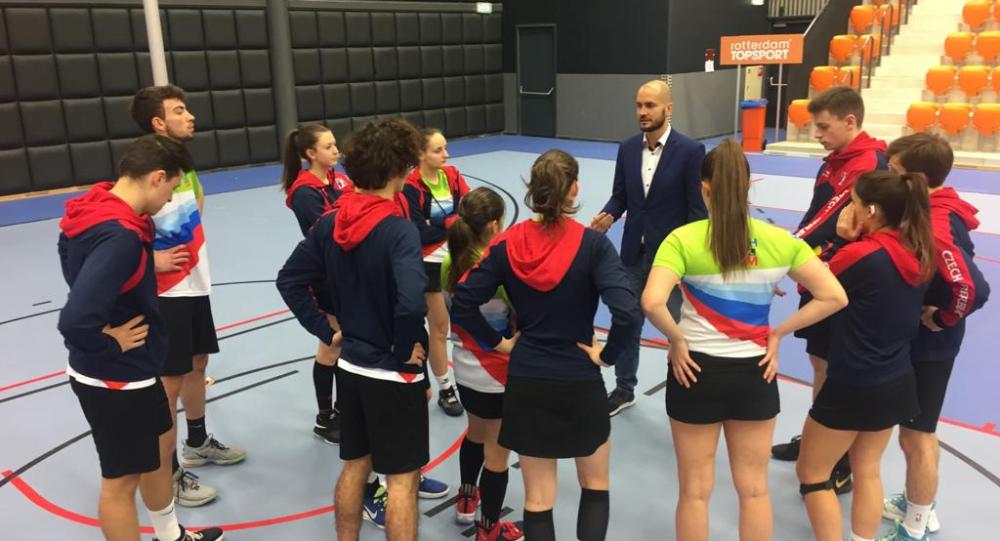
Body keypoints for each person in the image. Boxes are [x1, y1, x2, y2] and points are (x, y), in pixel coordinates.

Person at [641, 140, 847, 541]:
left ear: (704, 189)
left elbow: (651, 301)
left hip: (693, 372)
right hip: (755, 373)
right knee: (754, 490)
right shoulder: (780, 241)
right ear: (748, 187)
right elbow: (835, 296)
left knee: (695, 492)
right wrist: (778, 333)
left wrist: (677, 340)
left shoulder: (682, 239)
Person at [452, 150, 642, 541]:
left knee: (538, 498)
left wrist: (499, 344)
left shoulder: (506, 243)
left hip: (527, 379)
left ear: (533, 189)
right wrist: (607, 356)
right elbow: (627, 313)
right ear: (574, 188)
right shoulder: (593, 246)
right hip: (579, 379)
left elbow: (464, 302)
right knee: (595, 485)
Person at [57, 134, 224, 541]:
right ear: (157, 177)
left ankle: (170, 536)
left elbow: (69, 259)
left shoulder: (94, 205)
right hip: (115, 377)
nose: (168, 201)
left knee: (157, 455)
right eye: (171, 189)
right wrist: (109, 341)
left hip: (138, 368)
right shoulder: (121, 237)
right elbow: (75, 321)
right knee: (120, 483)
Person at [276, 118, 430, 541]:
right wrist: (404, 350)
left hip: (350, 365)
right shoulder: (398, 230)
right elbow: (412, 300)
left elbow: (289, 279)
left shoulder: (331, 222)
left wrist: (326, 332)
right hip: (391, 372)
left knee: (356, 466)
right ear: (398, 169)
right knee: (402, 480)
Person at [796, 170, 935, 541]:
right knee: (868, 469)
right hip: (895, 377)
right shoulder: (918, 250)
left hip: (853, 382)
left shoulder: (859, 254)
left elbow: (810, 285)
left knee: (812, 474)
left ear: (870, 210)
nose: (848, 210)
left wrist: (840, 242)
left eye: (853, 203)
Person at [130, 85, 245, 507]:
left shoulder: (181, 161)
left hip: (195, 282)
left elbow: (195, 203)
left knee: (198, 363)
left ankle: (197, 441)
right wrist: (151, 258)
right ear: (158, 122)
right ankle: (170, 473)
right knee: (170, 381)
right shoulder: (146, 167)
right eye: (179, 110)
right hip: (168, 291)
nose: (190, 116)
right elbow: (119, 224)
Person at [772, 86, 888, 491]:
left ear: (849, 121)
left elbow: (827, 220)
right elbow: (813, 214)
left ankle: (840, 459)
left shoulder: (867, 164)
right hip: (822, 272)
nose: (817, 135)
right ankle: (818, 439)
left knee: (839, 367)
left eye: (823, 127)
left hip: (847, 280)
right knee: (820, 361)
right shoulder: (834, 161)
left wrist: (781, 257)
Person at [878, 134, 990, 541]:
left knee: (916, 434)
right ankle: (917, 502)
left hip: (931, 344)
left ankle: (916, 526)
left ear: (919, 179)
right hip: (923, 341)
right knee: (917, 430)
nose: (888, 177)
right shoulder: (928, 208)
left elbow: (972, 288)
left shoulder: (936, 223)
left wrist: (943, 317)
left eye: (894, 171)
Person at [590, 80, 707, 417]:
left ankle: (688, 387)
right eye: (639, 105)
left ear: (668, 108)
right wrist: (608, 215)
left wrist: (688, 260)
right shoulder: (627, 148)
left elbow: (697, 212)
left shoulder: (690, 151)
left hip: (671, 261)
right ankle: (624, 389)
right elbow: (621, 196)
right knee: (627, 321)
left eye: (650, 105)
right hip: (632, 255)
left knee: (678, 326)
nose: (643, 112)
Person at [441, 188, 524, 541]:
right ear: (494, 225)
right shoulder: (494, 268)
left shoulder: (450, 261)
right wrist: (504, 343)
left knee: (474, 432)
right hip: (496, 371)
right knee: (497, 455)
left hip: (463, 365)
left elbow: (455, 311)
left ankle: (466, 499)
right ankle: (489, 528)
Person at [280, 123, 354, 445]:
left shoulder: (338, 179)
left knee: (339, 345)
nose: (336, 150)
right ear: (311, 153)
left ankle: (341, 409)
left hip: (345, 273)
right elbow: (332, 230)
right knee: (331, 345)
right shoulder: (305, 192)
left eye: (335, 144)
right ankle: (325, 418)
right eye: (328, 146)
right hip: (325, 276)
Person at [402, 128, 470, 417]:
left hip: (459, 260)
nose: (446, 155)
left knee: (466, 324)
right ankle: (445, 389)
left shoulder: (452, 176)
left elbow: (471, 212)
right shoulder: (410, 187)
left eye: (445, 148)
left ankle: (472, 380)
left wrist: (439, 223)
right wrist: (452, 223)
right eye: (438, 150)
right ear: (420, 154)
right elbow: (418, 232)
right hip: (429, 266)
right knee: (440, 329)